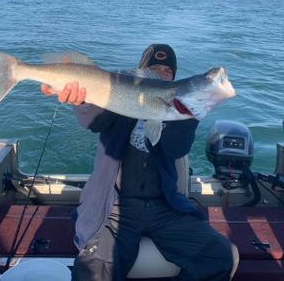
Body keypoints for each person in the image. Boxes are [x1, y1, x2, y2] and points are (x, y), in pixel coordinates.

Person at [41, 44, 239, 281]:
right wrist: (82, 102)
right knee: (93, 272)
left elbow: (176, 148)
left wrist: (189, 115)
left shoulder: (178, 113)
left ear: (175, 78)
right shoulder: (120, 98)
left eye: (167, 71)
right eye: (154, 68)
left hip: (164, 208)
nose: (161, 73)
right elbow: (93, 121)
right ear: (141, 73)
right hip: (115, 208)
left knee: (220, 256)